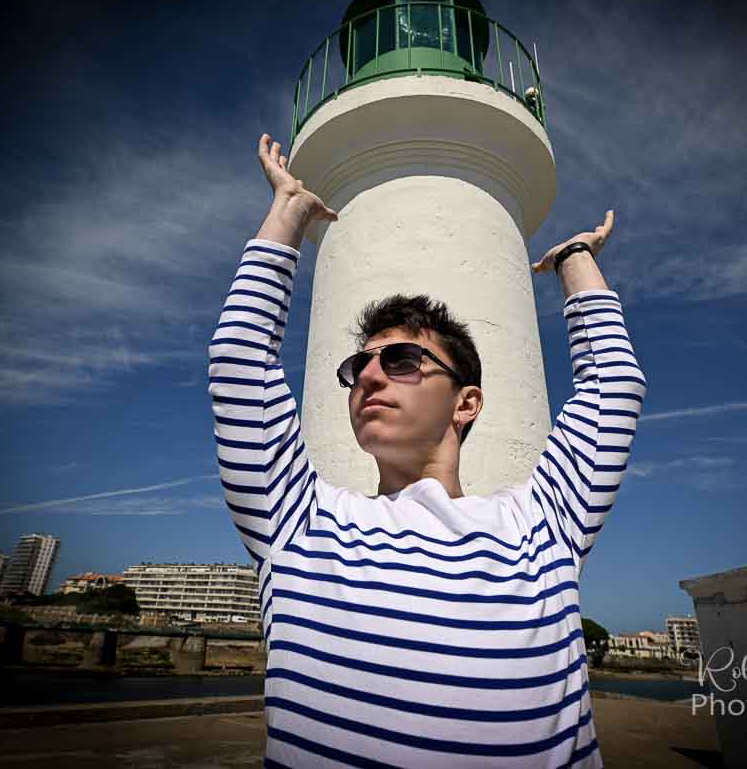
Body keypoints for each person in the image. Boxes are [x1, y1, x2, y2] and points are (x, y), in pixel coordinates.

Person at [207, 133, 647, 768]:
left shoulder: (545, 525)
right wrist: (289, 213)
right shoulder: (297, 524)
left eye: (403, 359)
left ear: (466, 403)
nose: (369, 375)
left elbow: (615, 386)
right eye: (358, 364)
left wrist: (575, 259)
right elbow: (238, 363)